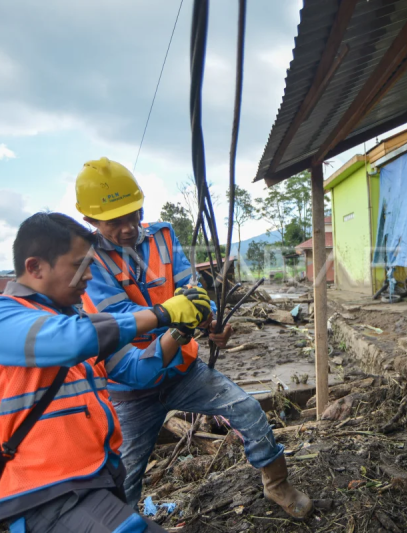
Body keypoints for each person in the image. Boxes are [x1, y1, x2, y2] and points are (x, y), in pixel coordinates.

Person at [76, 158, 312, 518]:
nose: (128, 228)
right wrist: (178, 319)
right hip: (130, 388)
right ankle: (123, 523)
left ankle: (277, 484)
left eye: (133, 215)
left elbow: (192, 292)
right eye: (114, 222)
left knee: (248, 410)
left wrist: (209, 323)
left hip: (182, 368)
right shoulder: (87, 262)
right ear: (90, 221)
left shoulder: (163, 235)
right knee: (125, 477)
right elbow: (120, 319)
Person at [0, 212, 212, 532]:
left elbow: (136, 370)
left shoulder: (79, 324)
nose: (89, 277)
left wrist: (180, 330)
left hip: (95, 483)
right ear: (35, 267)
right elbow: (68, 340)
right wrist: (161, 313)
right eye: (80, 265)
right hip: (44, 495)